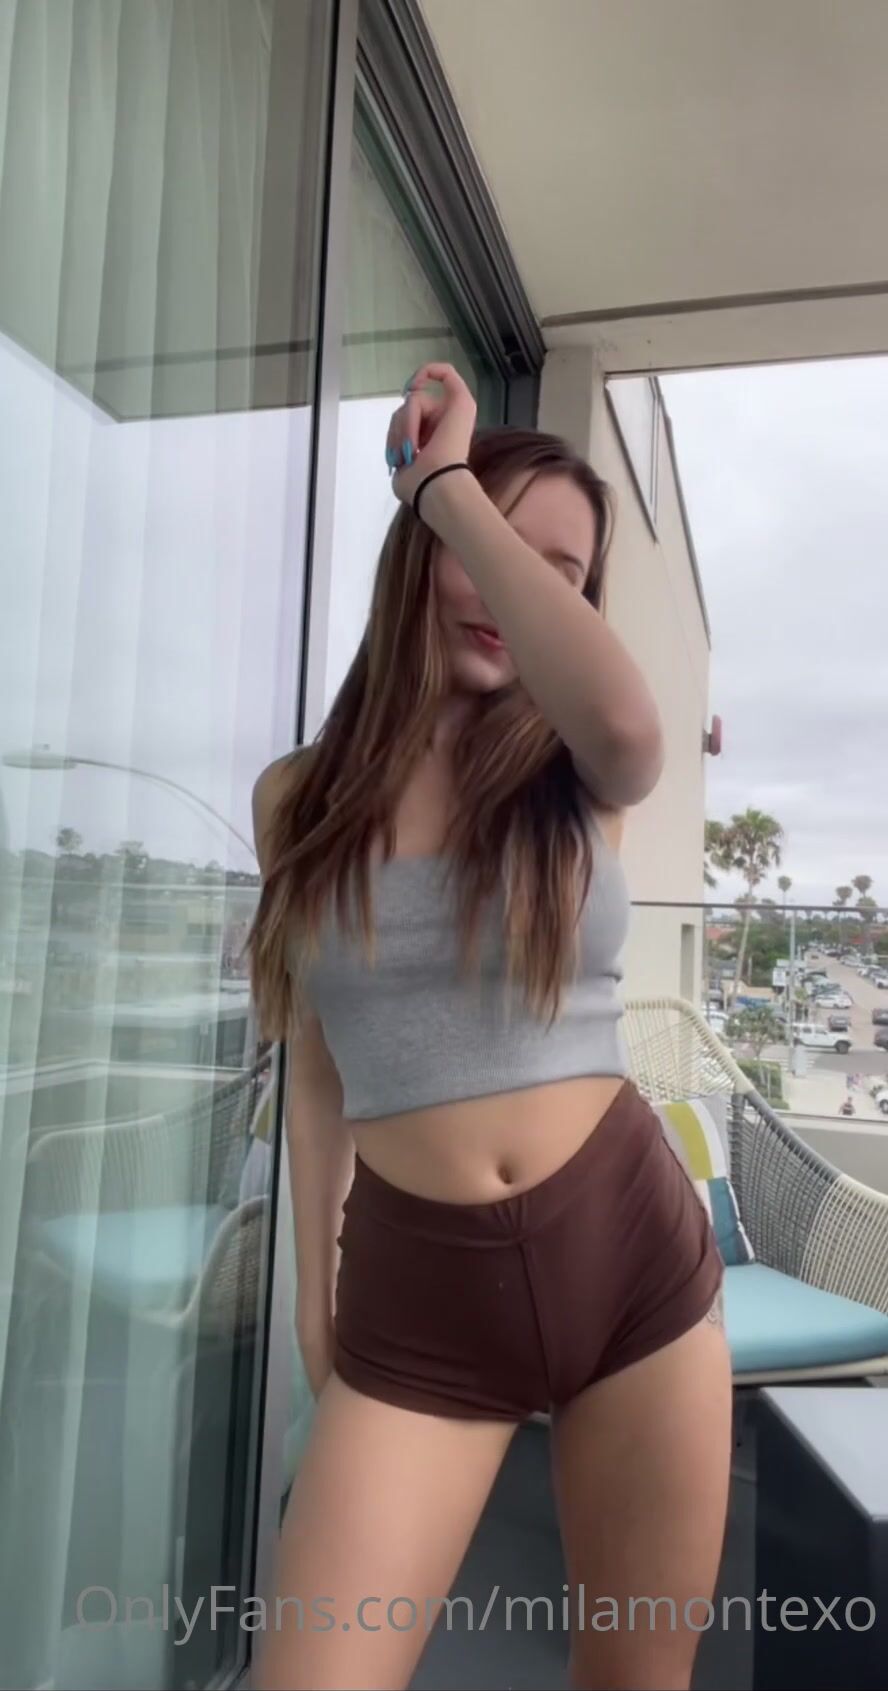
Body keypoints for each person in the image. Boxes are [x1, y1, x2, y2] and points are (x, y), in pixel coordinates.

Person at [248, 363, 732, 1691]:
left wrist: (451, 489)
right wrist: (317, 1309)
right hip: (417, 1294)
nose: (515, 589)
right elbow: (318, 1069)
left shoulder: (578, 768)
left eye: (561, 573)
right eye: (491, 546)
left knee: (634, 1681)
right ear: (420, 550)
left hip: (631, 1265)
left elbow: (631, 722)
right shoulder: (299, 798)